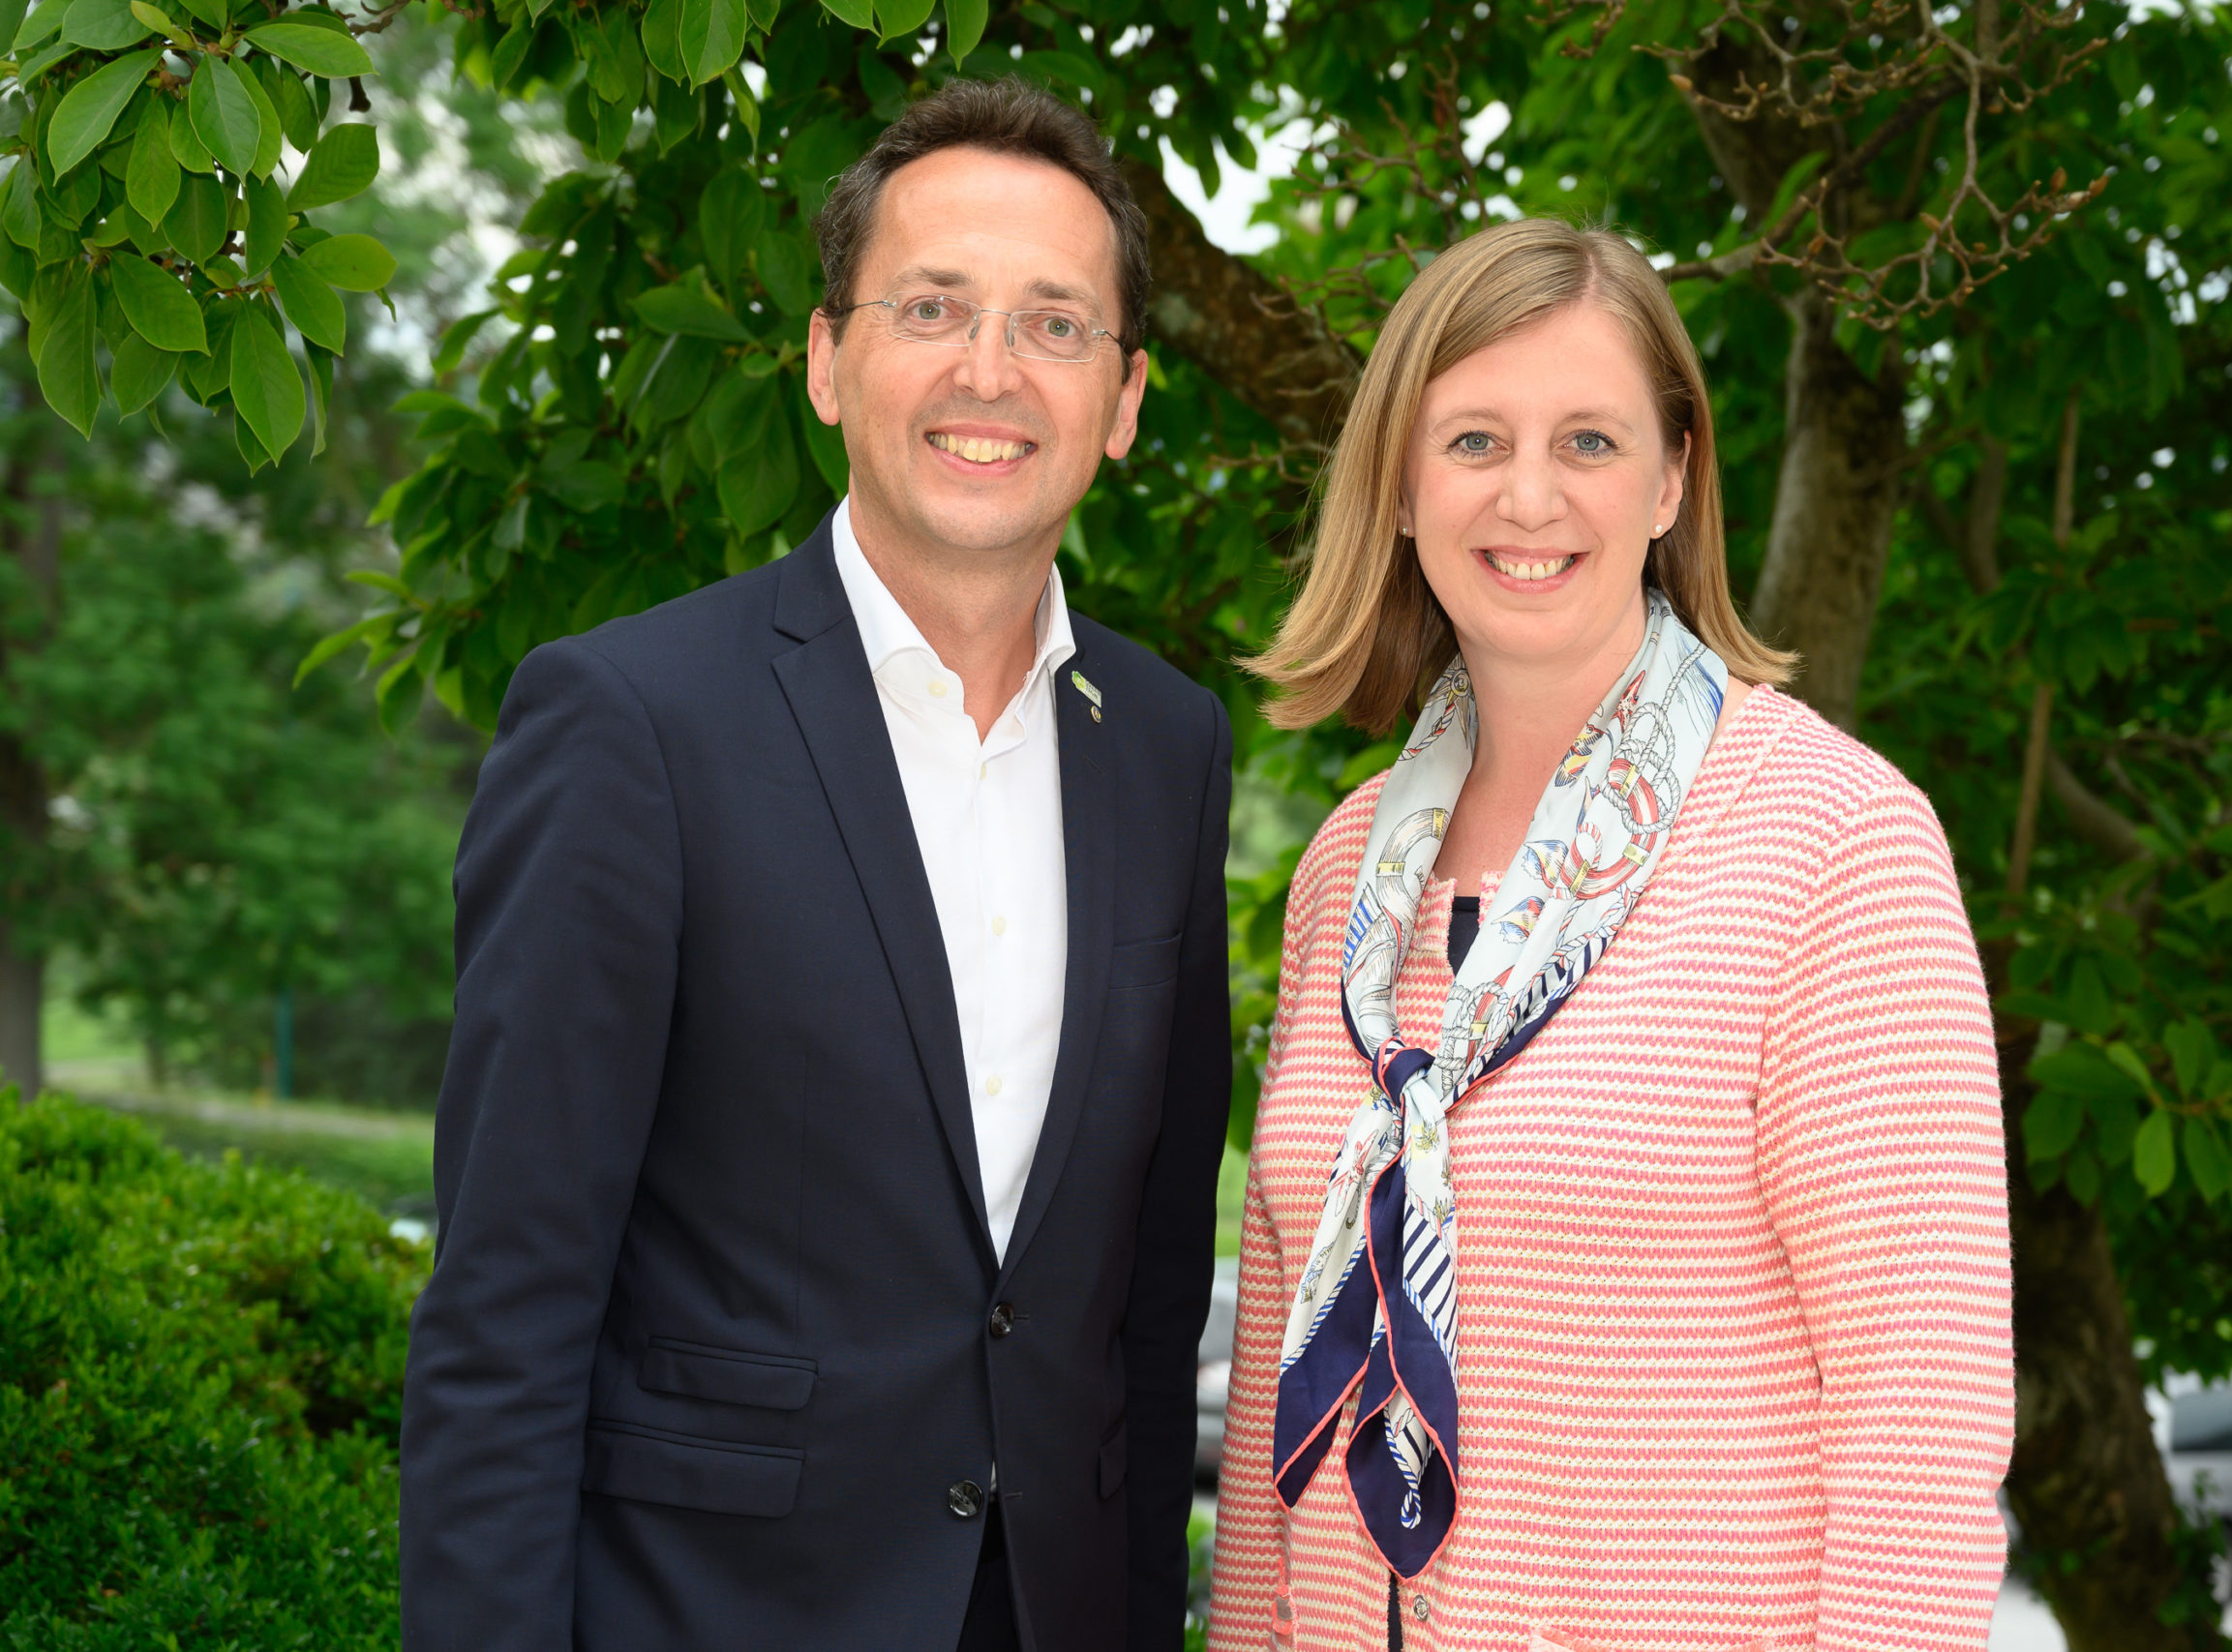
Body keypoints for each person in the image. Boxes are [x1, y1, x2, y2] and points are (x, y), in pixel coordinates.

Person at [400, 79, 1232, 1652]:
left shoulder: (1167, 747)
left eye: (1056, 325)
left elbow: (1143, 1306)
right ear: (827, 360)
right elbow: (505, 1321)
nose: (990, 371)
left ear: (1123, 401)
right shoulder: (631, 721)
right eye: (932, 306)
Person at [1208, 219, 2012, 1651]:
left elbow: (1922, 1417)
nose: (1529, 495)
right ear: (1398, 485)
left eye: (1588, 439)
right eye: (1472, 442)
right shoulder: (1349, 868)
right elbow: (1285, 1313)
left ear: (1673, 478)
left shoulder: (1832, 842)